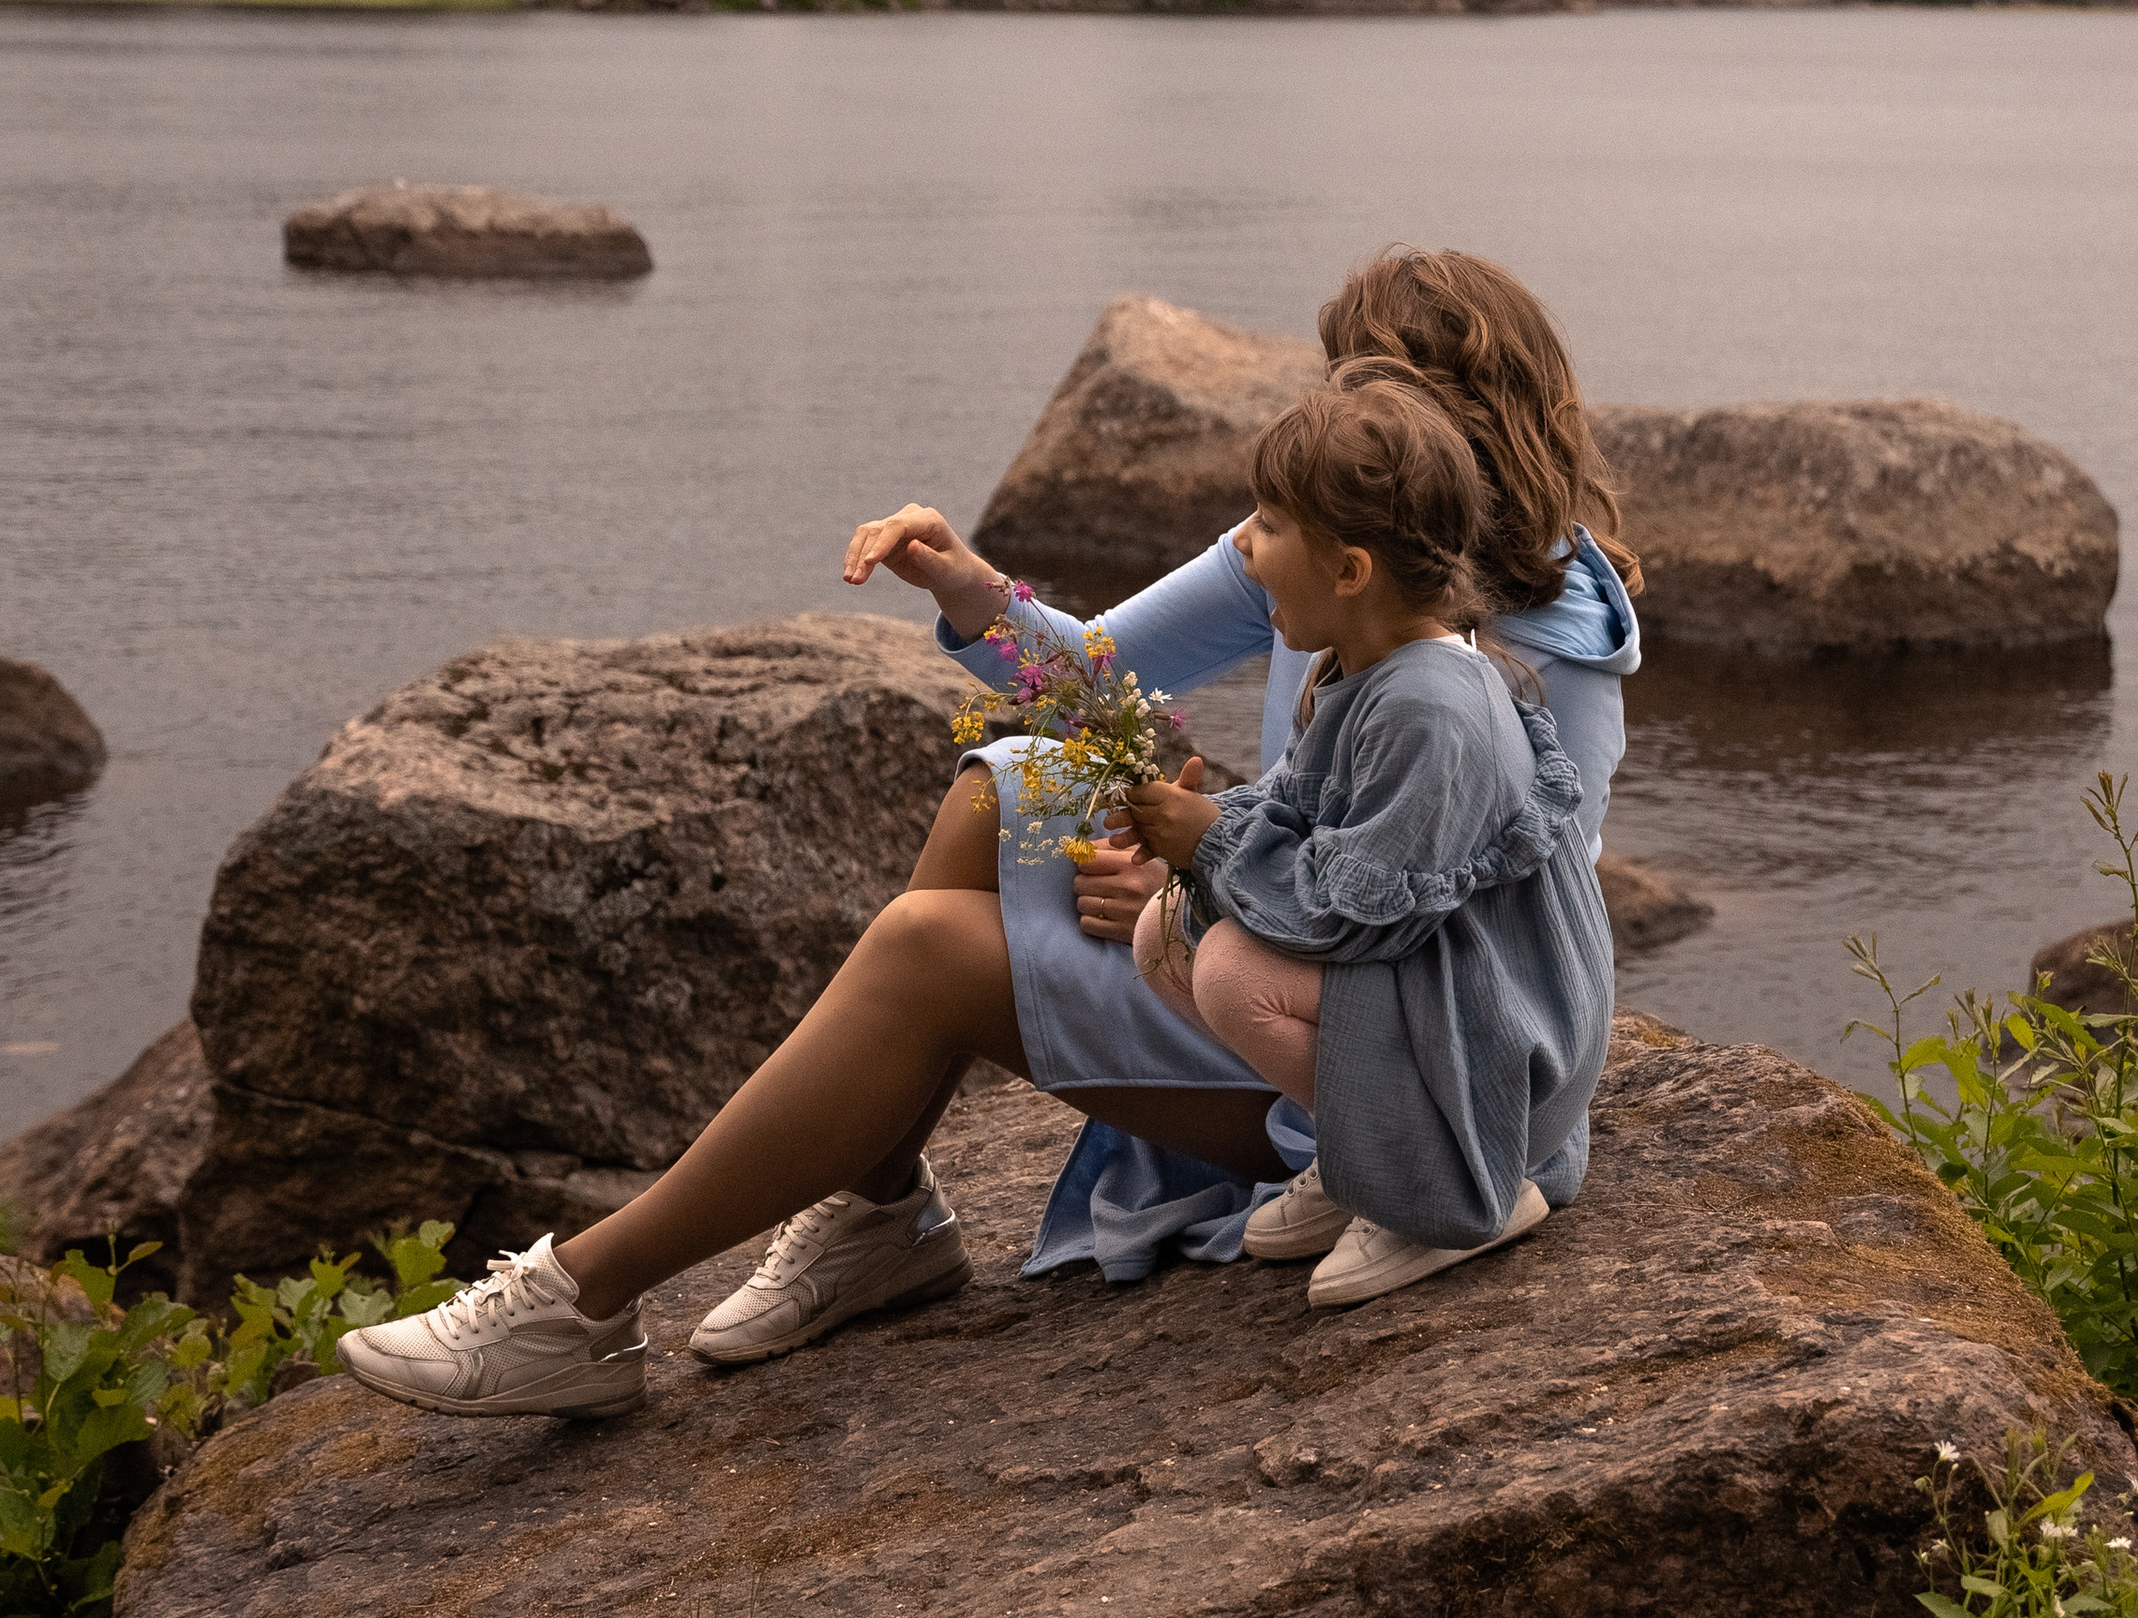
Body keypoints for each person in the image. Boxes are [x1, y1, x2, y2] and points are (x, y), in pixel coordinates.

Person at [336, 248, 1639, 1423]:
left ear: (1432, 456)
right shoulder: (1337, 536)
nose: (1327, 427)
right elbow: (1107, 688)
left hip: (1376, 1059)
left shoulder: (1524, 664)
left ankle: (584, 1298)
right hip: (1294, 930)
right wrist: (971, 591)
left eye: (1357, 396)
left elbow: (1494, 950)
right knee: (1007, 781)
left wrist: (1199, 885)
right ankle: (874, 1210)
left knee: (927, 955)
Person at [1121, 371, 1614, 1310]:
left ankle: (1454, 1184)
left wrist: (1214, 849)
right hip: (1456, 984)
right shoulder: (1365, 668)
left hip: (1514, 1048)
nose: (1241, 545)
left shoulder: (1433, 705)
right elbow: (1304, 815)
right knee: (1166, 934)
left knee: (1228, 969)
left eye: (1267, 525)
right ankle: (1371, 1151)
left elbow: (1355, 919)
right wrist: (1201, 828)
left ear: (1350, 571)